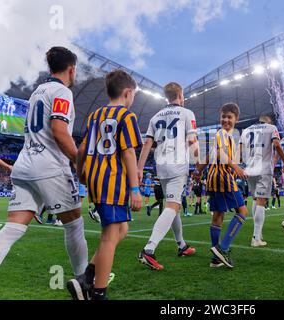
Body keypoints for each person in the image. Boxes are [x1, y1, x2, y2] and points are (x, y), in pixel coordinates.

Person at [0, 47, 88, 301]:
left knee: (11, 229)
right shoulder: (62, 91)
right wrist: (78, 162)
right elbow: (60, 131)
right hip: (48, 166)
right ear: (71, 69)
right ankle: (86, 285)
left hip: (24, 164)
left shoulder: (36, 93)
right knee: (74, 224)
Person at [68, 70, 142, 300]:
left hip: (96, 179)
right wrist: (135, 189)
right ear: (128, 93)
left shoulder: (94, 116)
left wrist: (80, 173)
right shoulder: (127, 117)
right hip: (114, 181)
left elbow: (81, 150)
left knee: (122, 230)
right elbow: (128, 152)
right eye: (134, 96)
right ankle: (98, 293)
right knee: (110, 236)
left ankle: (86, 277)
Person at [137, 82, 198, 270]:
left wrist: (139, 168)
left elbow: (147, 143)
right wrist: (197, 163)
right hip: (177, 165)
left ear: (166, 96)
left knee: (174, 204)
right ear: (181, 95)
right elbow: (192, 140)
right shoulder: (187, 113)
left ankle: (181, 245)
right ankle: (149, 249)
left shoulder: (155, 117)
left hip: (160, 166)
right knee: (173, 205)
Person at [196, 103, 248, 268]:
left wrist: (199, 169)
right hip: (223, 177)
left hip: (213, 178)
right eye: (223, 116)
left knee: (217, 215)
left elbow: (211, 154)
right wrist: (236, 167)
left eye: (229, 117)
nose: (226, 120)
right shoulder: (222, 134)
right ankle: (222, 248)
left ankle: (216, 259)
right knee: (243, 211)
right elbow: (218, 153)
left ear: (236, 119)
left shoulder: (227, 136)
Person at [240, 115, 284, 247]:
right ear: (268, 121)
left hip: (250, 168)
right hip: (264, 167)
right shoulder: (271, 128)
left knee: (255, 199)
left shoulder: (246, 130)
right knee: (261, 201)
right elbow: (276, 144)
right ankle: (256, 237)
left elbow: (241, 150)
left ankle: (258, 234)